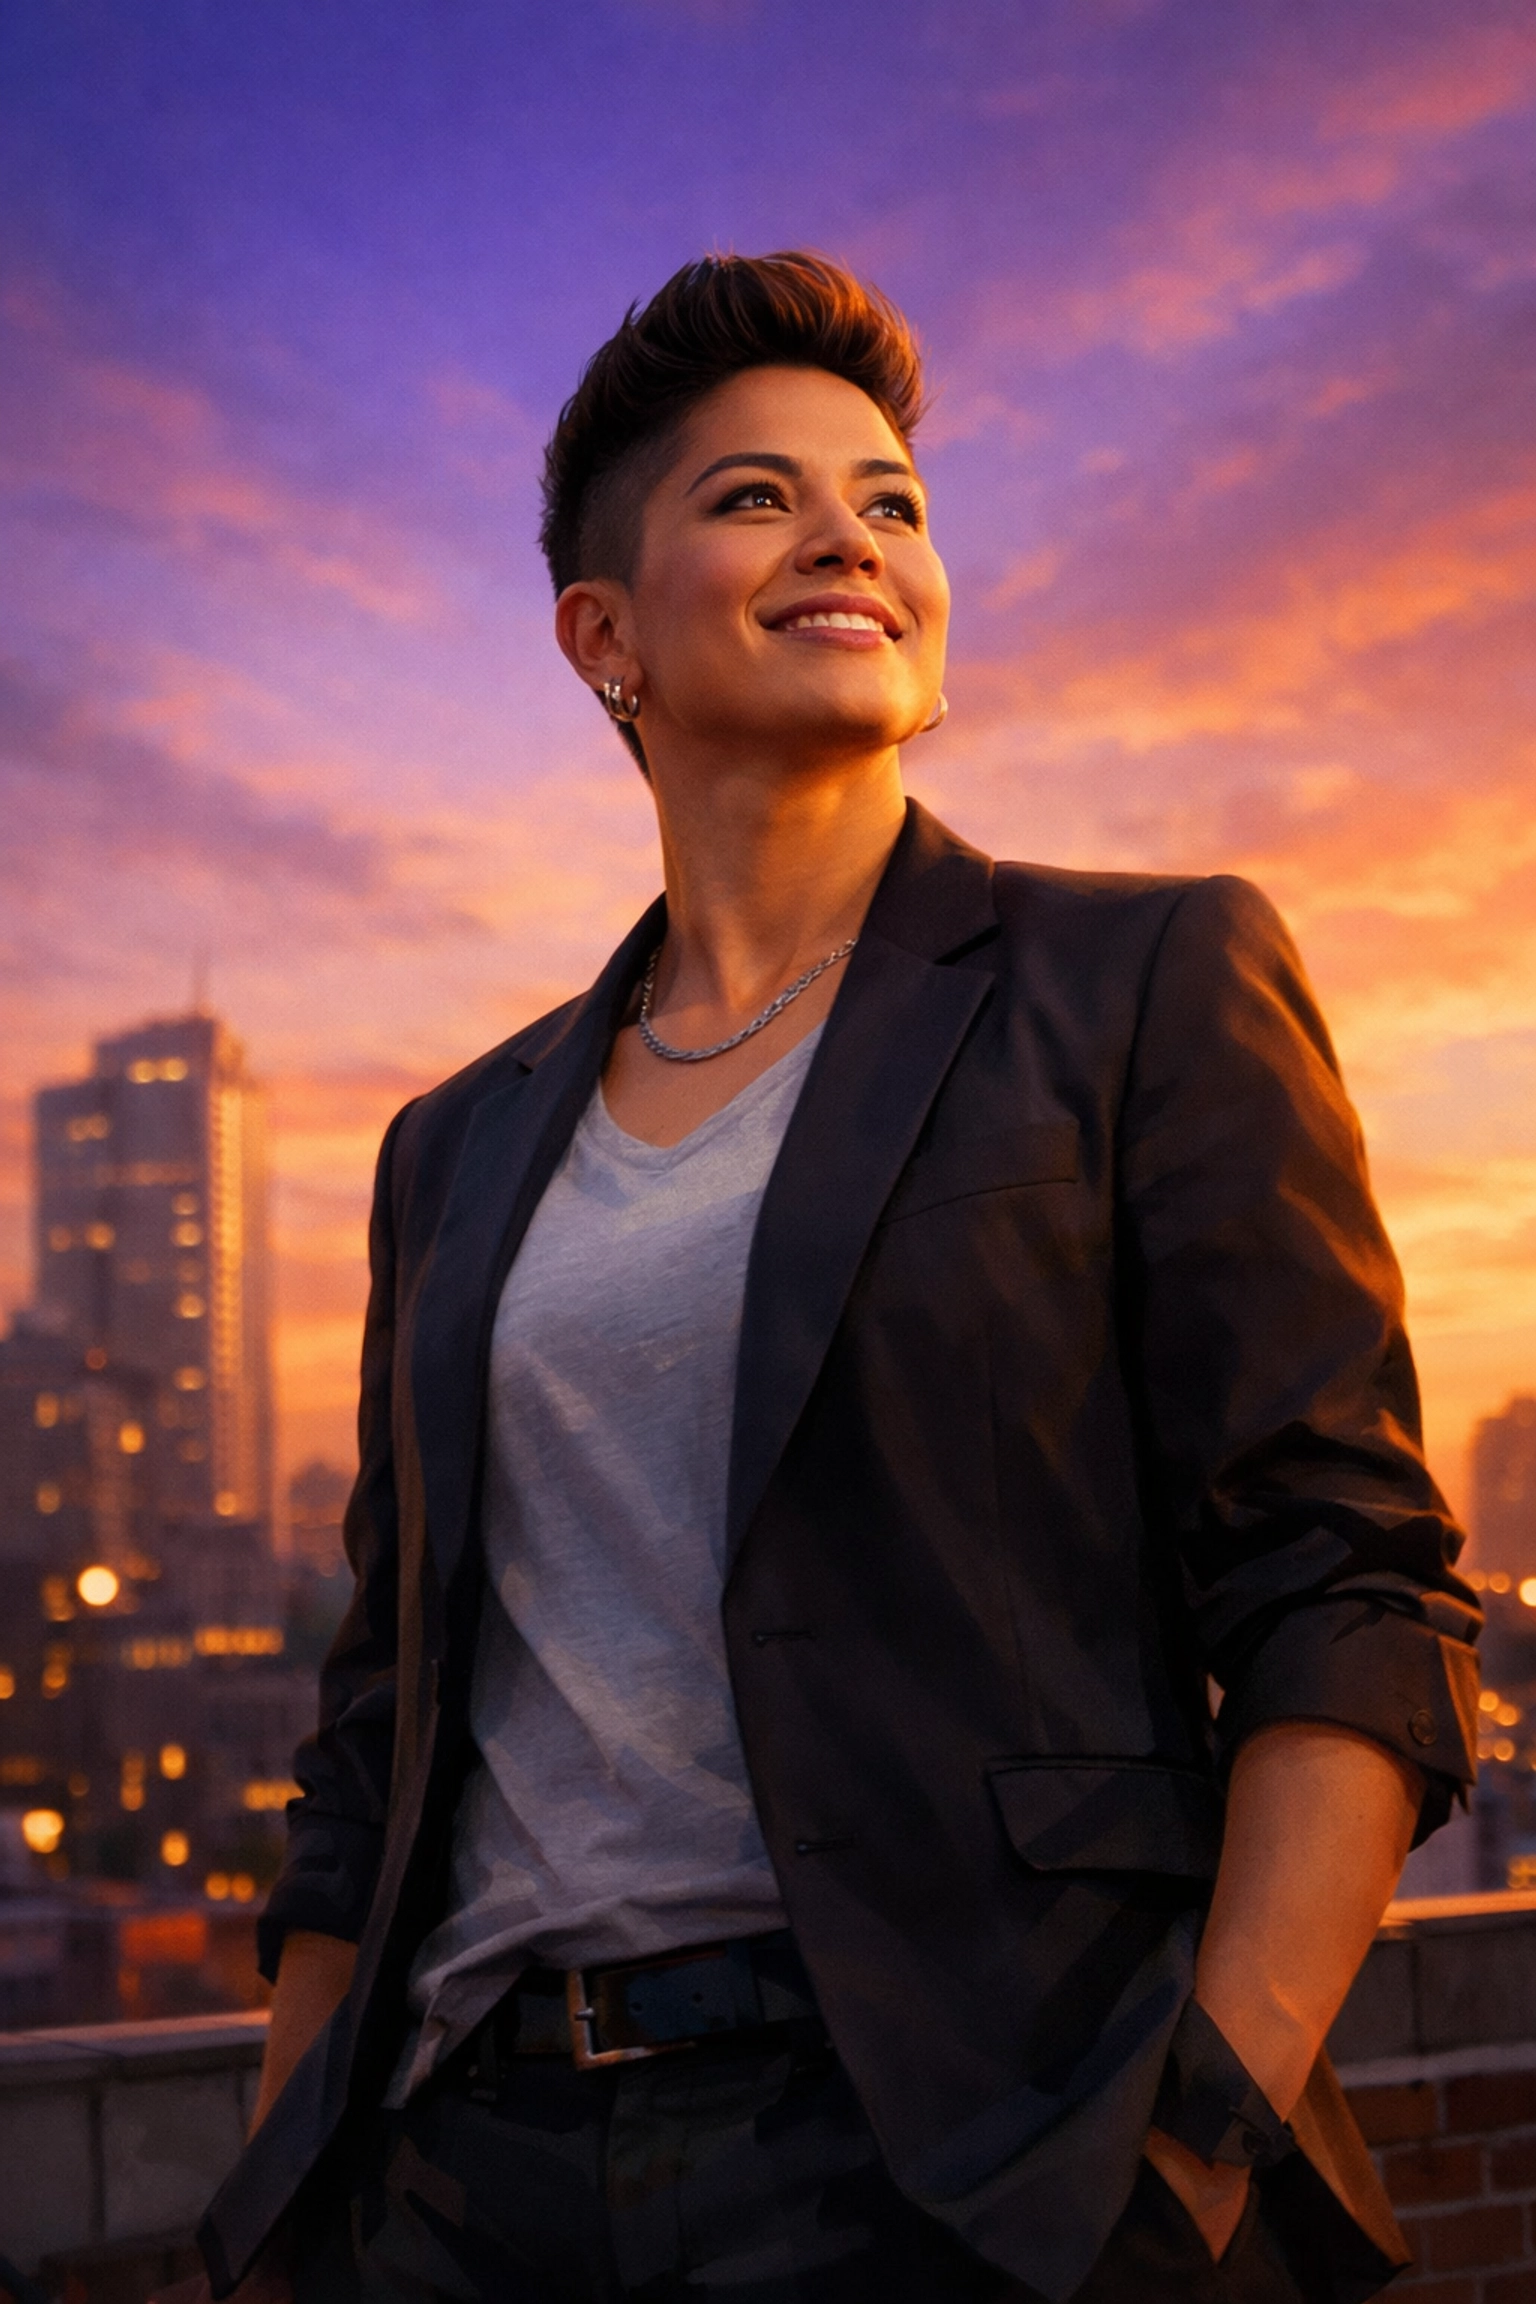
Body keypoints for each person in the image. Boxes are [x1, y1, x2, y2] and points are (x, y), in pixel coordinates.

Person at [194, 253, 1480, 2303]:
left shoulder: (1141, 986)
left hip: (961, 2173)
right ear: (600, 638)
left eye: (890, 498)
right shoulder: (454, 1144)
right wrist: (286, 2203)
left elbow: (1352, 1594)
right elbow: (381, 1723)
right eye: (754, 497)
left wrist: (1189, 2155)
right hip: (467, 2178)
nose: (850, 540)